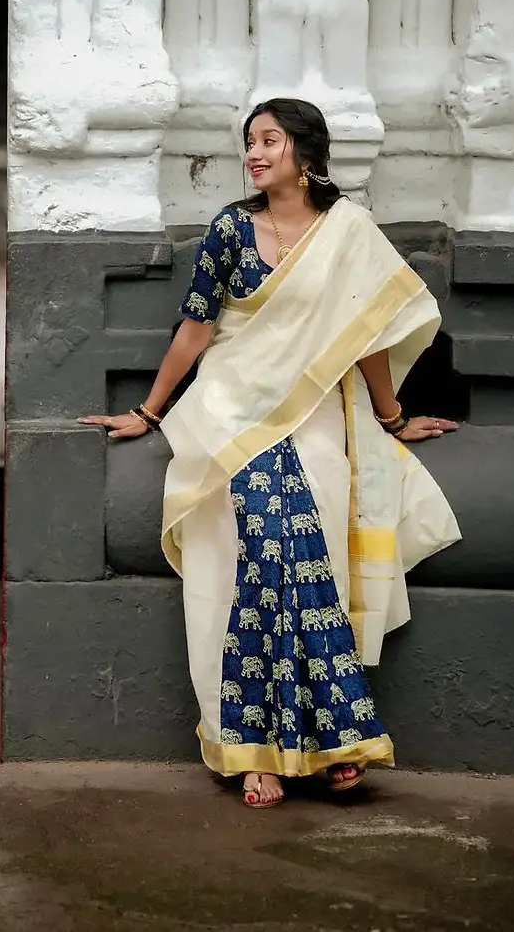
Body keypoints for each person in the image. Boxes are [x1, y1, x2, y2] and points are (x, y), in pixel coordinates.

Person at [81, 97, 461, 808]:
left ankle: (320, 741)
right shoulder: (231, 227)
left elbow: (369, 335)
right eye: (249, 141)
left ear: (305, 152)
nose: (254, 153)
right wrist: (148, 409)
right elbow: (197, 328)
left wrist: (391, 416)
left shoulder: (346, 230)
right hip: (230, 405)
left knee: (304, 528)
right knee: (262, 532)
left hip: (310, 409)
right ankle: (253, 740)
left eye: (269, 140)